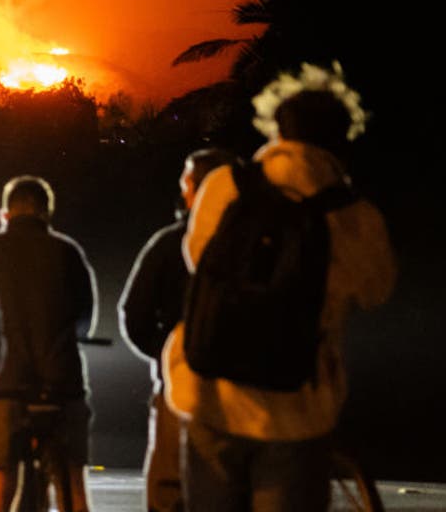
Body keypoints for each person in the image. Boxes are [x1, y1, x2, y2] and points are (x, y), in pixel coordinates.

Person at [163, 62, 397, 511]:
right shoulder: (353, 215)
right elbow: (376, 290)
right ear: (343, 138)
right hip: (296, 409)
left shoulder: (225, 186)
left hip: (211, 392)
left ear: (275, 129)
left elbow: (196, 259)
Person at [0, 176, 99, 512]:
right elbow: (84, 320)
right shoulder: (68, 253)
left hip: (2, 389)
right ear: (47, 214)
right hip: (61, 386)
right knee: (73, 486)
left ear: (4, 214)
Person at [118, 148, 237, 512]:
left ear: (196, 188)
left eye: (186, 183)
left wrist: (164, 354)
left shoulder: (171, 243)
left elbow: (133, 313)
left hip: (180, 389)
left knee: (168, 488)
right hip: (247, 389)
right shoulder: (258, 240)